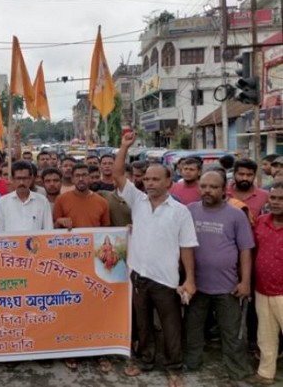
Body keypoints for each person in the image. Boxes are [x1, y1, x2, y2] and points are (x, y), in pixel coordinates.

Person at [114, 133, 198, 387]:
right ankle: (146, 361)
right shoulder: (138, 201)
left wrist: (190, 280)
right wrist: (124, 147)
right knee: (143, 325)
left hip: (167, 280)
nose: (149, 183)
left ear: (169, 181)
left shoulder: (181, 212)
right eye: (146, 179)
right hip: (139, 275)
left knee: (171, 327)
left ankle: (173, 368)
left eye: (155, 179)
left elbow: (187, 248)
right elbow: (118, 175)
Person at [184, 170, 255, 385]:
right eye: (204, 186)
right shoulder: (189, 211)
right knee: (193, 328)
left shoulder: (236, 214)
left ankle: (238, 371)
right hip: (195, 285)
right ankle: (192, 363)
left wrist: (245, 282)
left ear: (224, 189)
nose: (207, 190)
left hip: (228, 287)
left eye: (213, 187)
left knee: (232, 333)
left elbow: (245, 251)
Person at [253, 182, 283, 385]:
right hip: (262, 290)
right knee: (265, 336)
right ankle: (265, 372)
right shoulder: (261, 222)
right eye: (273, 198)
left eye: (281, 199)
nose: (276, 202)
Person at [0, 161, 53, 232]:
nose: (21, 183)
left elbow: (48, 229)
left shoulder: (42, 201)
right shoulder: (3, 201)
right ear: (12, 179)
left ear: (31, 179)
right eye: (18, 178)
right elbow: (1, 231)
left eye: (25, 178)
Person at [54, 164, 110, 229]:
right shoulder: (61, 200)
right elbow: (54, 228)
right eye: (77, 176)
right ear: (72, 179)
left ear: (89, 178)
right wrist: (59, 222)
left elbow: (106, 230)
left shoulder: (102, 202)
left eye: (84, 175)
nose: (81, 179)